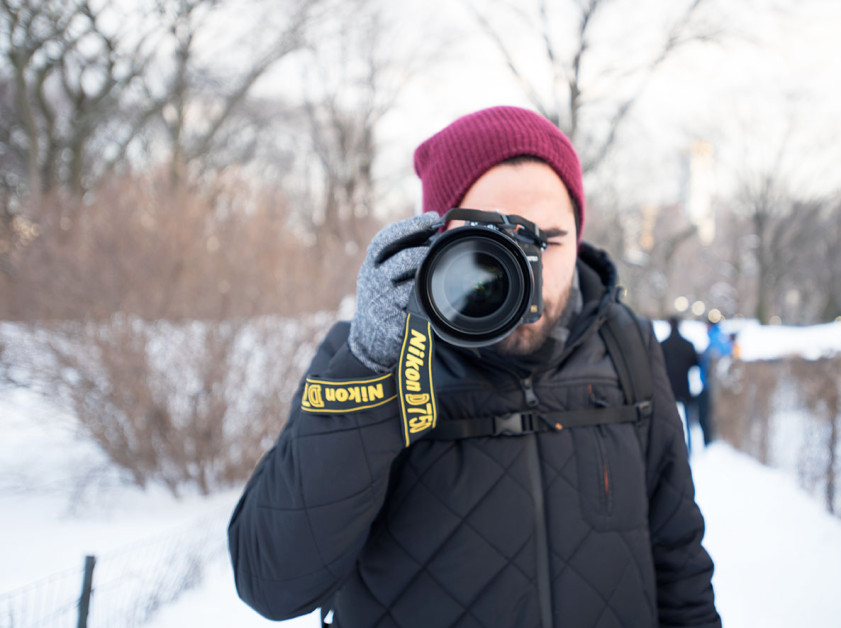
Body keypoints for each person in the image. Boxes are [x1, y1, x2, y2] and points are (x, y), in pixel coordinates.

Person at [228, 106, 721, 627]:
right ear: (436, 241)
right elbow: (272, 582)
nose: (526, 273)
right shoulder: (369, 357)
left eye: (548, 241)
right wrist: (372, 368)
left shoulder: (625, 346)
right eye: (494, 243)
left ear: (580, 236)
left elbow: (679, 560)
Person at [659, 315, 700, 448]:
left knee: (666, 421)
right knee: (688, 423)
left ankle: (670, 447)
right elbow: (695, 363)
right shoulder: (687, 345)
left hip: (667, 388)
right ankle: (689, 448)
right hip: (684, 387)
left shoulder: (663, 345)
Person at [695, 318, 733, 446]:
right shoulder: (723, 338)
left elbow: (710, 364)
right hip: (717, 387)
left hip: (710, 387)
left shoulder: (714, 340)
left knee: (706, 418)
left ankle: (710, 445)